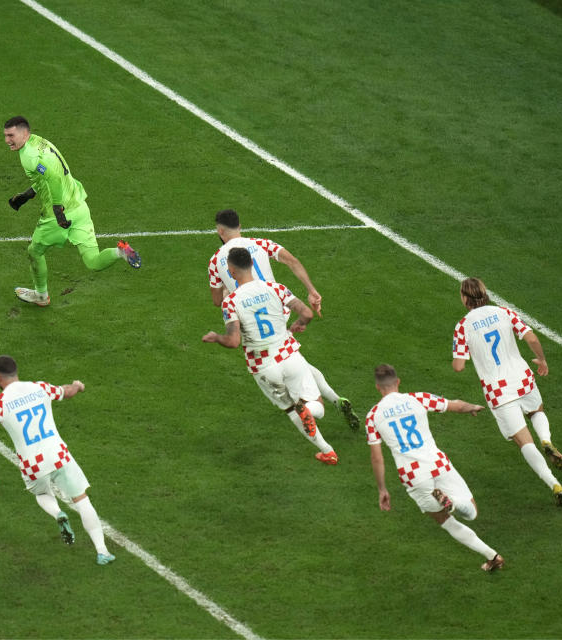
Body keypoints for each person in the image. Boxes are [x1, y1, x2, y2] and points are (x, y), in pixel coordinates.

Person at [0, 355, 115, 565]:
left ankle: (58, 514)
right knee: (82, 500)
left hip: (32, 462)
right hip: (58, 454)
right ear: (16, 371)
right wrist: (78, 385)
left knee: (42, 494)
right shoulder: (40, 388)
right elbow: (67, 391)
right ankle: (102, 552)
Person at [207, 208, 359, 431]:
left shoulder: (215, 261)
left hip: (254, 320)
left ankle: (323, 404)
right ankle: (336, 400)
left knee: (289, 365)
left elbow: (216, 300)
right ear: (239, 226)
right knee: (295, 359)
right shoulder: (262, 243)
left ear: (220, 231)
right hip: (279, 308)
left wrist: (231, 292)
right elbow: (292, 261)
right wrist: (311, 291)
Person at [202, 247, 339, 465]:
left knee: (290, 409)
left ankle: (327, 450)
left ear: (231, 270)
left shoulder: (231, 302)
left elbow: (233, 341)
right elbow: (306, 312)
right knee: (317, 407)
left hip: (263, 365)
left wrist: (215, 337)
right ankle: (309, 411)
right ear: (251, 265)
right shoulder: (276, 288)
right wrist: (299, 324)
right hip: (289, 355)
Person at [366, 364, 504, 572]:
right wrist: (471, 407)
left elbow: (377, 458)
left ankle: (492, 555)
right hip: (436, 462)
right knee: (472, 511)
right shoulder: (417, 398)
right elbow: (454, 405)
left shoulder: (373, 416)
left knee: (443, 519)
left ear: (378, 387)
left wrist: (382, 489)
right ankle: (456, 503)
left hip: (413, 474)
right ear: (398, 382)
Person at [452, 277, 562, 506]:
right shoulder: (505, 312)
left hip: (498, 390)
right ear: (484, 294)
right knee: (536, 411)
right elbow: (531, 337)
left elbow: (458, 366)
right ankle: (546, 440)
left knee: (524, 442)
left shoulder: (462, 326)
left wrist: (466, 355)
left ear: (465, 298)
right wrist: (542, 360)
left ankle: (555, 484)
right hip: (522, 377)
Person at [3, 115, 141, 307]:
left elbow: (54, 180)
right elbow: (50, 175)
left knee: (34, 252)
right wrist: (27, 195)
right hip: (80, 207)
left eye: (11, 135)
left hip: (57, 217)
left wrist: (58, 209)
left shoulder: (28, 155)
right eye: (5, 136)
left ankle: (41, 296)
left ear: (25, 134)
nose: (7, 140)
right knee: (93, 261)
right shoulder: (41, 142)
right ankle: (120, 252)